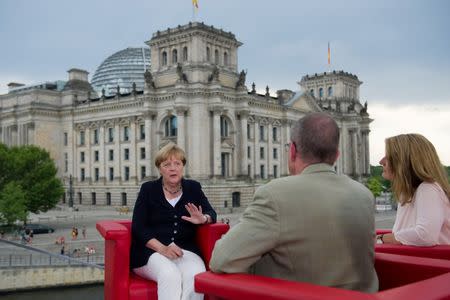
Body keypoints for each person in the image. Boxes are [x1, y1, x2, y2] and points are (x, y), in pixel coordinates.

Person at [210, 112, 378, 293]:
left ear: (292, 150)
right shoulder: (364, 195)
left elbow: (222, 259)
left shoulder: (274, 194)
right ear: (337, 155)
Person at [130, 142, 217, 300]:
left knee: (196, 276)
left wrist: (203, 218)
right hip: (151, 252)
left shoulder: (193, 188)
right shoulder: (148, 189)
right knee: (170, 275)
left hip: (185, 251)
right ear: (160, 168)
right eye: (167, 164)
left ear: (183, 167)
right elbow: (138, 227)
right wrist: (162, 249)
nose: (172, 168)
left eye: (177, 163)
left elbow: (212, 213)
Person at [377, 134, 450, 246]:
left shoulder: (428, 189)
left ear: (405, 161)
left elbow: (425, 235)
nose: (381, 161)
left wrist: (381, 239)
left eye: (389, 156)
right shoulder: (408, 194)